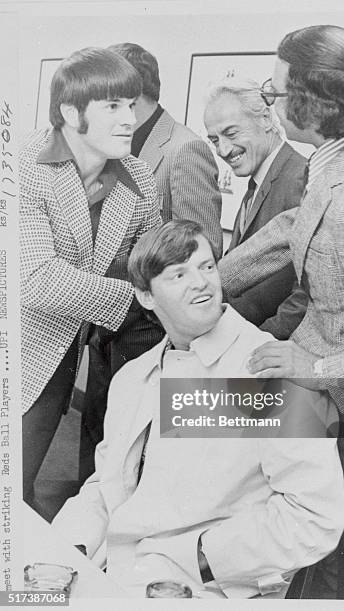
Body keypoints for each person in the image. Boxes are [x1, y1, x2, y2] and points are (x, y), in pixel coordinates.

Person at [53, 220, 344, 599]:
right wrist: (70, 546)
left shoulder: (271, 372)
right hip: (113, 570)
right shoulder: (133, 377)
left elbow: (315, 517)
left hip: (200, 589)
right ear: (146, 296)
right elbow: (107, 483)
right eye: (178, 274)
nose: (202, 283)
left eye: (207, 266)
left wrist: (201, 557)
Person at [218, 25, 344, 597]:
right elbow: (300, 222)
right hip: (320, 416)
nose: (269, 107)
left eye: (273, 96)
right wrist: (208, 278)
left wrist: (313, 369)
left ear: (313, 104)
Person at [20, 47, 161, 512]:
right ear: (69, 112)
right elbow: (36, 279)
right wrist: (143, 297)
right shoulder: (22, 168)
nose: (131, 119)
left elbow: (153, 261)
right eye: (113, 106)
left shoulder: (137, 178)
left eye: (133, 104)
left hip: (67, 353)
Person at [79, 42, 223, 482]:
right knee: (102, 445)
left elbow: (201, 251)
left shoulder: (183, 150)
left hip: (150, 334)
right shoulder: (115, 150)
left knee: (137, 459)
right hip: (109, 323)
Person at [204, 77, 307, 339]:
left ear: (264, 119)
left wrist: (259, 342)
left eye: (231, 133)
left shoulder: (300, 179)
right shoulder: (259, 179)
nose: (224, 150)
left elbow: (308, 295)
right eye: (215, 140)